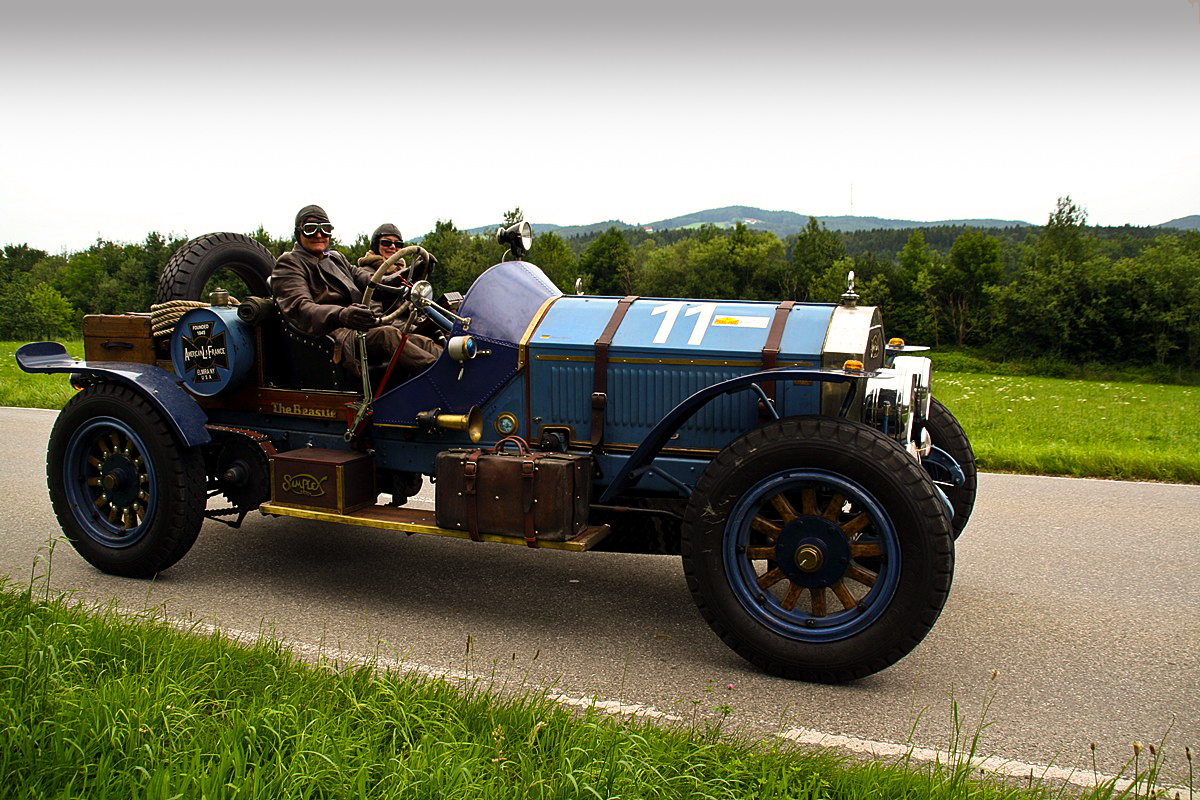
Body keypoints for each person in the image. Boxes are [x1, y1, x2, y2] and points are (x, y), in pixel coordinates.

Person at [272, 205, 442, 379]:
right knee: (387, 335)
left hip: (360, 329)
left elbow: (374, 283)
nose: (318, 235)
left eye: (325, 229)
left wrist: (414, 270)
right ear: (298, 233)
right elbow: (301, 308)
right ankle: (441, 377)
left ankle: (457, 372)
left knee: (421, 340)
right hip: (334, 337)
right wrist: (341, 315)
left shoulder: (336, 259)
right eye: (310, 229)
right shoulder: (289, 263)